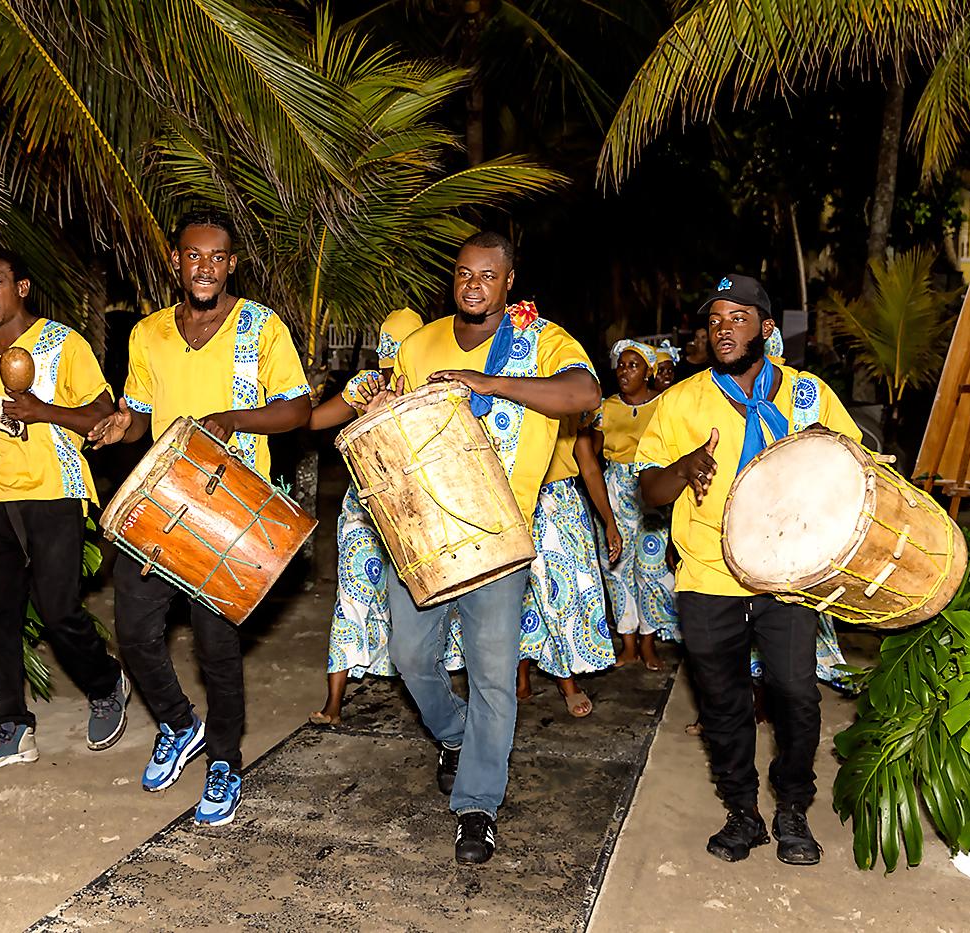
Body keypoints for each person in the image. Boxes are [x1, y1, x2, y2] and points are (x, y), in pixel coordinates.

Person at [367, 231, 600, 864]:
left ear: (508, 282)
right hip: (421, 531)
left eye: (487, 276)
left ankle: (477, 807)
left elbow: (584, 395)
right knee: (409, 656)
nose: (473, 285)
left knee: (494, 678)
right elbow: (391, 415)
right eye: (464, 274)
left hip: (498, 536)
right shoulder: (419, 345)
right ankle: (455, 735)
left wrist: (492, 384)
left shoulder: (540, 339)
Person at [88, 210, 310, 827]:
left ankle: (224, 762)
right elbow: (138, 412)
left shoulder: (261, 327)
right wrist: (119, 426)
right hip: (162, 503)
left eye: (216, 257)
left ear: (231, 264)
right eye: (193, 256)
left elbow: (296, 410)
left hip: (231, 510)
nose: (204, 267)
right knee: (133, 631)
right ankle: (181, 726)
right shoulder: (149, 334)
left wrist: (235, 419)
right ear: (177, 261)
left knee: (217, 648)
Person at [636, 274, 862, 867]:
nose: (723, 329)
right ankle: (742, 812)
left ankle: (792, 805)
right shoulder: (682, 401)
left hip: (788, 572)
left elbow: (852, 462)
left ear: (766, 329)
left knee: (795, 694)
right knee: (722, 703)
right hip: (707, 574)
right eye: (715, 320)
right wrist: (683, 469)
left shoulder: (807, 393)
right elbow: (647, 490)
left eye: (738, 318)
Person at [0, 248, 125, 772]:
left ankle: (106, 684)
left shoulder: (63, 343)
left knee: (59, 610)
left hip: (56, 491)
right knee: (0, 616)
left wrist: (41, 411)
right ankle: (12, 726)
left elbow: (102, 416)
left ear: (22, 288)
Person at [307, 309, 463, 726]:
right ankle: (344, 704)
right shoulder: (401, 385)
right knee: (396, 599)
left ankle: (337, 706)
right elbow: (314, 419)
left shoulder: (406, 387)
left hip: (391, 513)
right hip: (385, 512)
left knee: (369, 602)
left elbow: (314, 420)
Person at [516, 371, 619, 718]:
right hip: (514, 502)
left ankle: (566, 680)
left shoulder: (566, 401)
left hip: (561, 504)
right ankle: (520, 673)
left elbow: (589, 466)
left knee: (563, 595)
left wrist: (609, 521)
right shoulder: (505, 389)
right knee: (519, 595)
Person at [593, 340, 679, 669]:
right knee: (616, 569)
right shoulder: (606, 407)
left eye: (633, 365)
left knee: (652, 568)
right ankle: (628, 644)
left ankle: (648, 642)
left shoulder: (665, 404)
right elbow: (592, 453)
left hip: (652, 489)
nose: (624, 371)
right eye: (621, 365)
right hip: (616, 489)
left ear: (648, 372)